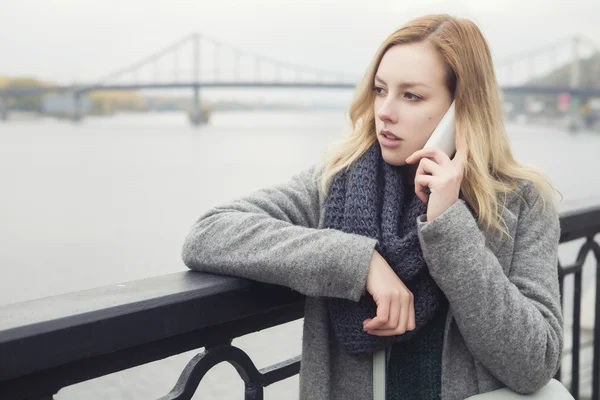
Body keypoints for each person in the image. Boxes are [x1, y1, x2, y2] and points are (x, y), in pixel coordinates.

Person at [181, 14, 563, 400]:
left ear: (460, 108)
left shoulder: (521, 201)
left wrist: (449, 226)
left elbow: (534, 364)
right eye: (381, 90)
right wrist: (361, 262)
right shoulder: (335, 183)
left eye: (411, 95)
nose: (385, 111)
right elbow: (208, 233)